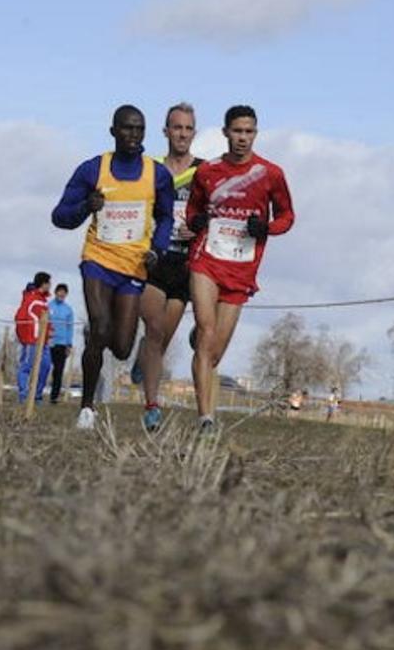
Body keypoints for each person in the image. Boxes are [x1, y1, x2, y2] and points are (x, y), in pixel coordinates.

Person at [52, 104, 174, 430]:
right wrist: (84, 206)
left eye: (139, 129)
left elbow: (166, 217)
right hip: (98, 260)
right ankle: (87, 408)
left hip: (133, 266)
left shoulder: (156, 174)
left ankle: (98, 334)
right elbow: (60, 216)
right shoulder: (93, 170)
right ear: (113, 131)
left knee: (120, 347)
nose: (133, 135)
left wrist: (157, 248)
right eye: (127, 128)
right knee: (101, 327)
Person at [185, 105, 294, 433]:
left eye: (248, 132)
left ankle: (201, 341)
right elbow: (192, 212)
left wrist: (267, 228)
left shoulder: (270, 173)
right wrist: (197, 221)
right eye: (237, 131)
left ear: (255, 134)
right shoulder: (208, 172)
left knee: (213, 352)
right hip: (206, 259)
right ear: (225, 132)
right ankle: (205, 419)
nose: (242, 138)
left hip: (242, 269)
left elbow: (287, 216)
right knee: (206, 333)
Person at [132, 103, 204, 431]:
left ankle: (143, 359)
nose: (183, 134)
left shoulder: (205, 172)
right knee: (154, 329)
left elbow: (216, 211)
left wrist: (199, 227)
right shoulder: (151, 168)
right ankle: (152, 406)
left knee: (160, 341)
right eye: (177, 128)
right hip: (153, 259)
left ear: (195, 133)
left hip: (184, 264)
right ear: (165, 131)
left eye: (188, 129)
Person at [14, 272, 53, 404]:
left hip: (44, 341)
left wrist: (50, 331)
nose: (50, 285)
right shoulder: (30, 299)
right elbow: (20, 318)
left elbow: (46, 319)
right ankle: (23, 395)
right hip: (32, 340)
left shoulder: (44, 301)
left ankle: (37, 394)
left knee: (46, 366)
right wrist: (25, 338)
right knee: (26, 366)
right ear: (44, 284)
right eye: (49, 283)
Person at [47, 283, 76, 403]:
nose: (61, 294)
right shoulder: (48, 306)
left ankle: (54, 396)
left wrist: (69, 344)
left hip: (62, 343)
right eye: (60, 291)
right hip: (49, 341)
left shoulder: (68, 310)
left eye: (64, 293)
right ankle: (36, 392)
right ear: (56, 292)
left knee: (58, 370)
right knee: (44, 367)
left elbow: (70, 328)